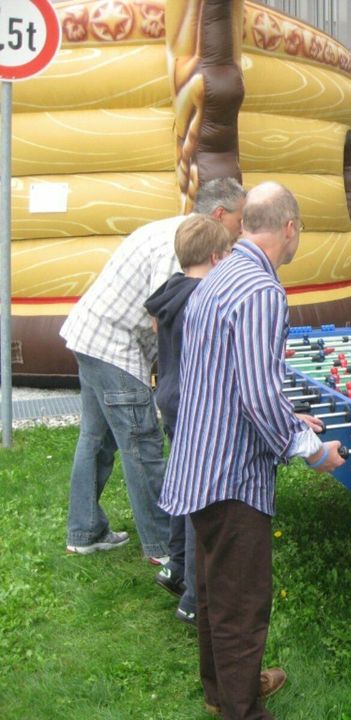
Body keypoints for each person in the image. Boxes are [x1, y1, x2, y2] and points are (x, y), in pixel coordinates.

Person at [160, 182, 346, 719]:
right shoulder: (263, 291)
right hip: (232, 473)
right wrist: (310, 449)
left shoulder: (219, 274)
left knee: (216, 589)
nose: (298, 239)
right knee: (242, 599)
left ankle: (224, 691)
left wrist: (288, 414)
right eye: (300, 231)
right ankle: (242, 710)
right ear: (289, 228)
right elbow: (258, 393)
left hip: (199, 461)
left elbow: (231, 375)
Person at [61, 177, 246, 562]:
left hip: (89, 333)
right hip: (115, 345)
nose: (240, 232)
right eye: (239, 221)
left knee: (96, 439)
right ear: (219, 214)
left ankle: (85, 531)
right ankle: (163, 547)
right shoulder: (181, 247)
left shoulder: (176, 231)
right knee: (142, 444)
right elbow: (164, 318)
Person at [144, 215, 236, 627]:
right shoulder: (201, 299)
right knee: (202, 500)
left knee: (183, 485)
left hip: (170, 399)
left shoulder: (171, 291)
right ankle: (196, 600)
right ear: (216, 257)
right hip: (192, 407)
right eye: (229, 255)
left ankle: (177, 567)